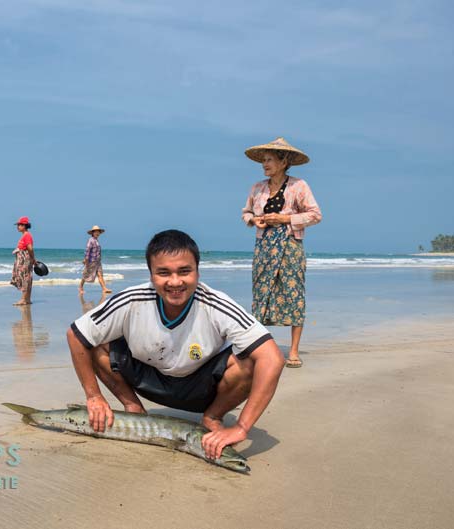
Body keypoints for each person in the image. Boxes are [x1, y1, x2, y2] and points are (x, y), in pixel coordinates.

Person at [66, 230, 286, 460]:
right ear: (151, 275)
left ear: (198, 272)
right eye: (163, 273)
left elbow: (272, 359)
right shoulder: (131, 300)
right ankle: (133, 407)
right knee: (95, 341)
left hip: (202, 391)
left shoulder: (216, 304)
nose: (174, 282)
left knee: (251, 360)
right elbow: (75, 335)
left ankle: (213, 416)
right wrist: (94, 396)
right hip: (147, 380)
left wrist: (242, 427)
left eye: (184, 271)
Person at [241, 137, 322, 368]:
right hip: (264, 247)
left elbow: (315, 215)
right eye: (263, 160)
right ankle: (259, 348)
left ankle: (293, 351)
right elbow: (245, 212)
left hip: (289, 246)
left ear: (284, 161)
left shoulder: (299, 186)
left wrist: (285, 218)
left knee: (294, 293)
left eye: (269, 160)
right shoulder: (257, 188)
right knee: (260, 293)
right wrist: (254, 220)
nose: (264, 165)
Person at [10, 216, 36, 306]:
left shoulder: (27, 236)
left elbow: (30, 248)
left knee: (25, 278)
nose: (18, 227)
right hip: (24, 259)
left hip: (25, 260)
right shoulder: (24, 236)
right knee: (27, 277)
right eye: (17, 225)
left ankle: (23, 299)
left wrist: (33, 259)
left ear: (24, 226)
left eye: (19, 225)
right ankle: (27, 299)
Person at [79, 225, 112, 295]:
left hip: (98, 261)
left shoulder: (96, 240)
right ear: (92, 233)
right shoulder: (91, 240)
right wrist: (85, 260)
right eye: (96, 232)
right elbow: (87, 250)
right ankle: (80, 287)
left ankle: (104, 289)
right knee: (86, 275)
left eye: (98, 232)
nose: (97, 233)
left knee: (100, 275)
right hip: (91, 261)